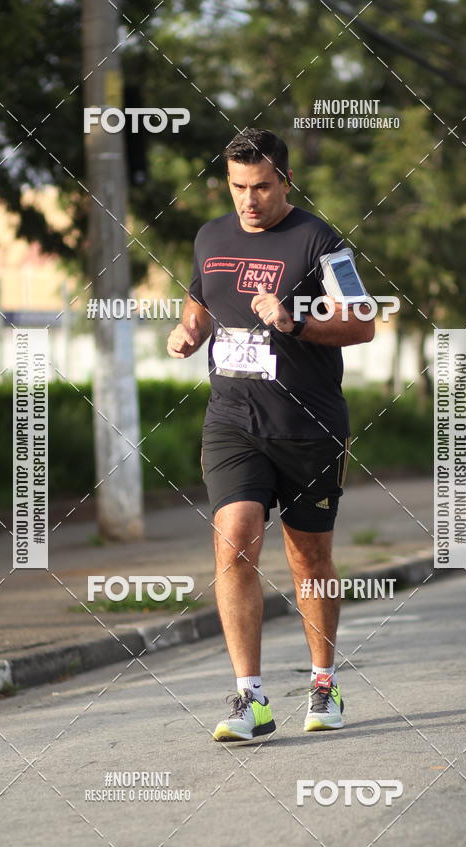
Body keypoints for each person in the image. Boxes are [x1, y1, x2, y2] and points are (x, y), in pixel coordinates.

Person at [167, 128, 374, 741]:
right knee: (233, 540)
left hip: (307, 423)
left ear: (285, 180)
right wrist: (188, 333)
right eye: (237, 187)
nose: (248, 200)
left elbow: (363, 322)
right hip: (232, 420)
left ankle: (323, 681)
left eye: (260, 186)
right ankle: (249, 698)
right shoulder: (211, 236)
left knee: (308, 555)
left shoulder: (320, 240)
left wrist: (295, 320)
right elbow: (199, 300)